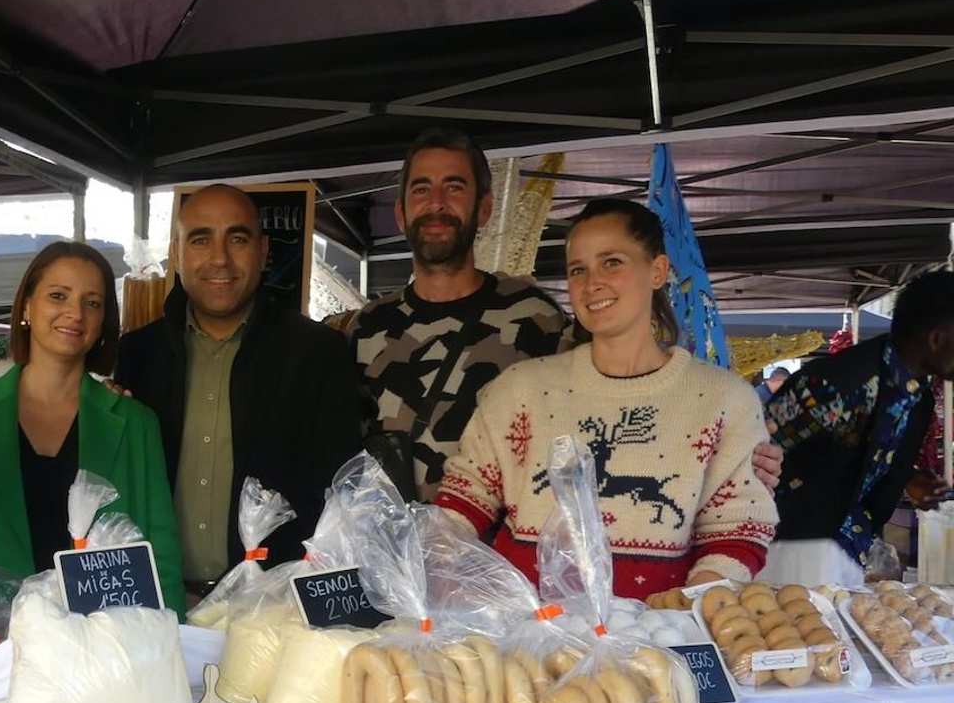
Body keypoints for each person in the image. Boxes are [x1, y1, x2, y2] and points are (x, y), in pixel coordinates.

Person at [351, 126, 784, 502]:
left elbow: (628, 400)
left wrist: (734, 455)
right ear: (401, 211)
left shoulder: (533, 317)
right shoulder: (363, 329)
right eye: (421, 189)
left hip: (499, 568)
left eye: (455, 187)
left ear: (483, 209)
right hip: (388, 565)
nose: (438, 203)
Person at [434, 198, 778, 596]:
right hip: (526, 639)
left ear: (658, 270)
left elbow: (736, 530)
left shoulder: (725, 400)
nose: (591, 282)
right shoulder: (520, 389)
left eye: (611, 262)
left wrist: (687, 612)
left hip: (658, 639)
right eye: (577, 270)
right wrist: (431, 574)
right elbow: (464, 500)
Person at [115, 184, 363, 595]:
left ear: (265, 251)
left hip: (274, 605)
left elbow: (343, 496)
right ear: (176, 254)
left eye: (237, 238)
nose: (219, 257)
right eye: (200, 239)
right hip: (158, 601)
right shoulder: (138, 355)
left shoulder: (318, 354)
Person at [0, 242, 184, 613]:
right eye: (58, 295)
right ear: (27, 306)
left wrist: (173, 650)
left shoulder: (137, 423)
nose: (74, 312)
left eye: (92, 302)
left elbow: (163, 561)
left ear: (103, 322)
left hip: (105, 650)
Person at [764, 269, 954, 585]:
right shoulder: (834, 384)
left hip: (844, 554)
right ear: (936, 339)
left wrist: (904, 477)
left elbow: (859, 451)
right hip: (789, 554)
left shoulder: (916, 394)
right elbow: (754, 448)